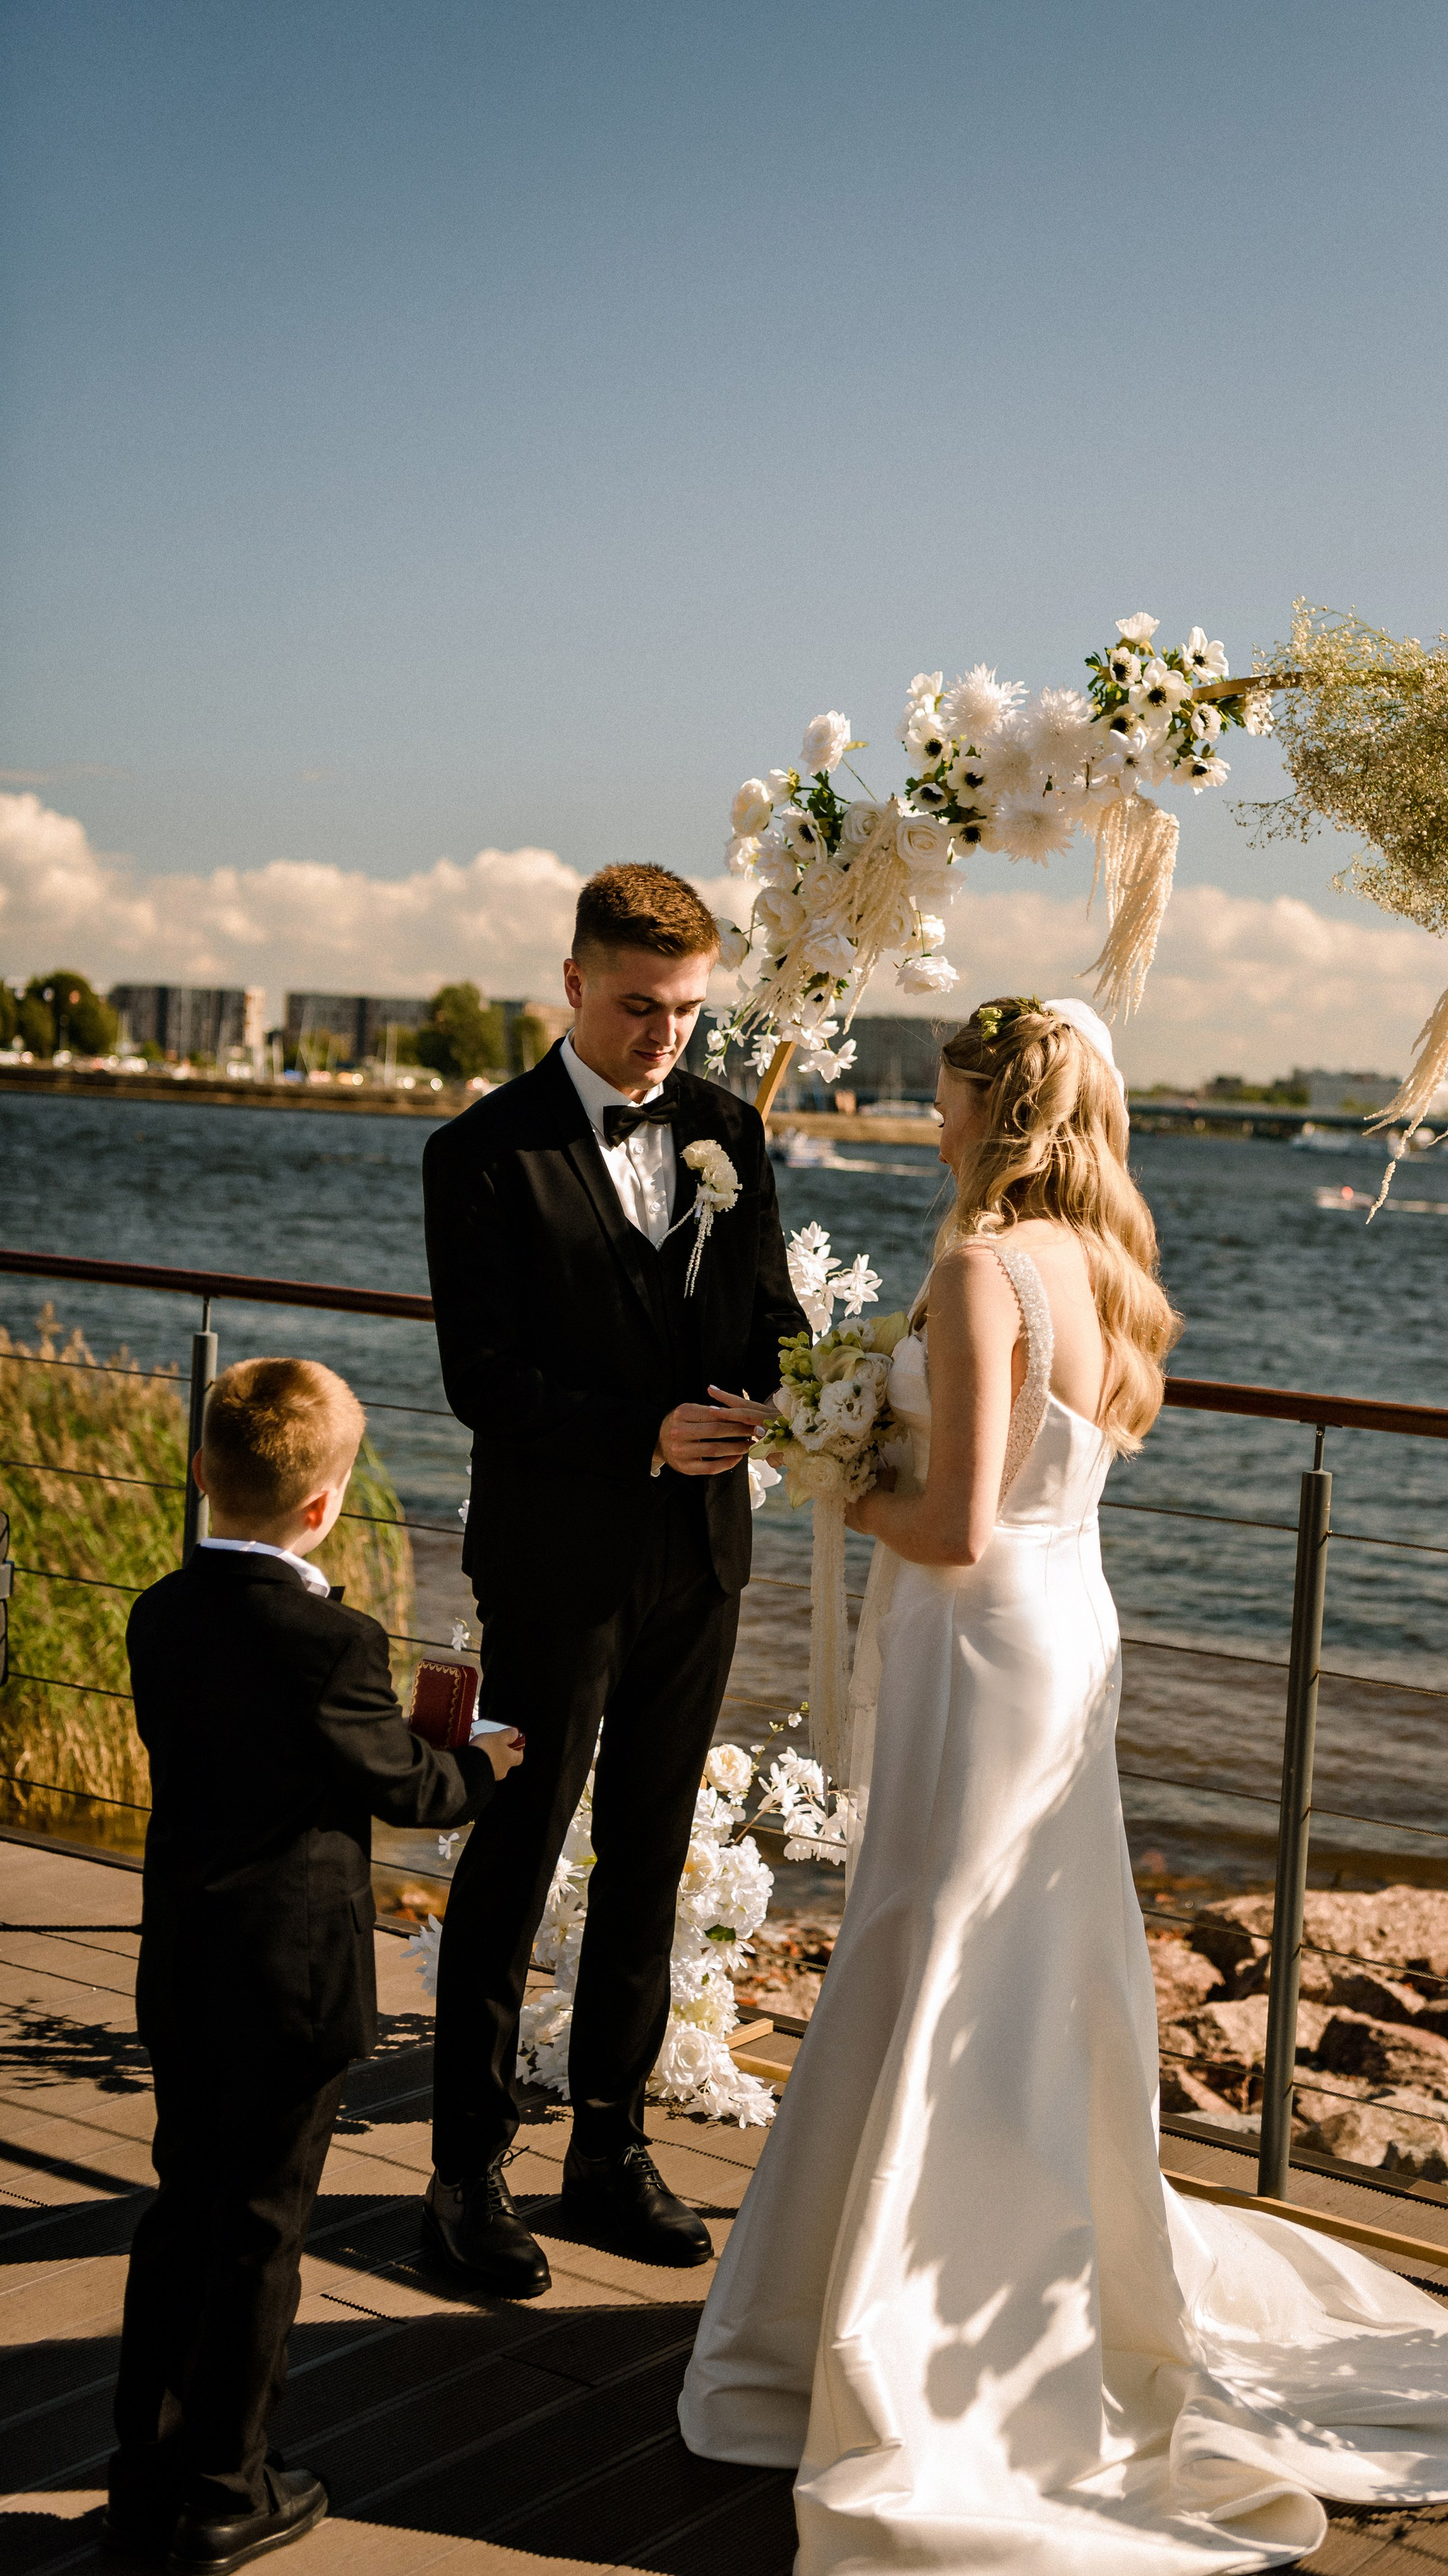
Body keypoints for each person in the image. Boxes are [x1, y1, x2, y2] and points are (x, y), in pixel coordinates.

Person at [680, 998, 1448, 2573]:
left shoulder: (973, 1267)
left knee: (940, 1950)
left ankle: (911, 2320)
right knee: (1010, 1960)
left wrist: (828, 1467)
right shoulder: (1099, 1271)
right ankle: (975, 2271)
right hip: (1064, 1632)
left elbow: (950, 1527)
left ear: (986, 1108)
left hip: (981, 1638)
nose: (930, 1117)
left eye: (943, 1096)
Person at [420, 862, 803, 2291]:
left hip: (701, 1557)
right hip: (555, 1562)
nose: (665, 1037)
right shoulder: (478, 1152)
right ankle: (463, 2177)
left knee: (648, 1854)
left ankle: (606, 2148)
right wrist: (637, 1433)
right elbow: (484, 1380)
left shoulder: (730, 1129)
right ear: (573, 983)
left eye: (690, 1009)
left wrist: (782, 1399)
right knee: (513, 1854)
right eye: (640, 1005)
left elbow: (760, 1314)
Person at [112, 1357, 519, 2575]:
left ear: (202, 1475)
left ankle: (149, 2466)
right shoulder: (332, 1639)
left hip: (187, 1957)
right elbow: (398, 1786)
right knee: (263, 2230)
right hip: (290, 1983)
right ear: (326, 1505)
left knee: (185, 2203)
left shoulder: (159, 1611)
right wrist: (483, 1765)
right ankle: (228, 2491)